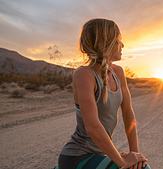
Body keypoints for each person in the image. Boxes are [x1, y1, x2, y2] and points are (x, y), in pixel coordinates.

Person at [56, 18, 151, 169]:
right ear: (106, 42)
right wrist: (123, 164)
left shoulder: (118, 72)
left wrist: (135, 156)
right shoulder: (84, 74)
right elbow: (93, 127)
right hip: (77, 158)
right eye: (119, 40)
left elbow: (128, 114)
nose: (123, 45)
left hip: (100, 154)